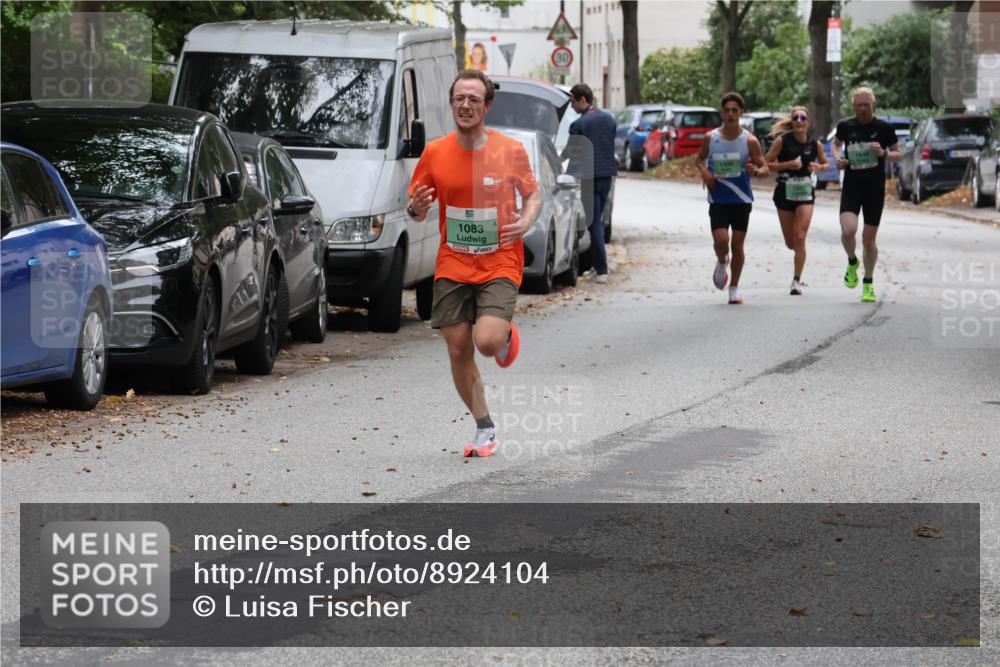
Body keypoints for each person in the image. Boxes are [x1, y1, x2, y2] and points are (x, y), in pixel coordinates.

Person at [406, 69, 541, 458]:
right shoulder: (435, 152)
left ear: (487, 106)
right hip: (453, 262)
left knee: (486, 342)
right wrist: (415, 207)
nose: (465, 106)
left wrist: (526, 220)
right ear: (451, 103)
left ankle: (504, 336)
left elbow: (533, 196)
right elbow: (416, 208)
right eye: (459, 99)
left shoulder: (510, 151)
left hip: (499, 259)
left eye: (474, 100)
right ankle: (485, 428)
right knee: (457, 348)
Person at [695, 92, 770, 304]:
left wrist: (756, 171)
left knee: (737, 245)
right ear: (722, 113)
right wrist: (705, 172)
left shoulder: (750, 140)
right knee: (721, 241)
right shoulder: (711, 138)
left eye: (734, 110)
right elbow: (699, 160)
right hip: (718, 197)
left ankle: (734, 288)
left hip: (741, 199)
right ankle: (722, 261)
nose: (730, 114)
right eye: (727, 110)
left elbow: (765, 168)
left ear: (741, 113)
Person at [831, 87, 900, 303]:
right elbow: (836, 145)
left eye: (866, 105)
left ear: (873, 105)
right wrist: (837, 159)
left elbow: (899, 153)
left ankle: (868, 282)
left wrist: (884, 153)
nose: (863, 109)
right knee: (848, 230)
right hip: (852, 187)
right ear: (854, 106)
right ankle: (852, 261)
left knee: (868, 240)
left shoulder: (884, 128)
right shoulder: (846, 126)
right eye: (859, 105)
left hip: (874, 189)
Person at [765, 106, 829, 295]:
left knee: (800, 237)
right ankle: (797, 253)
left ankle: (796, 281)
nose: (799, 121)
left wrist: (819, 167)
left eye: (802, 118)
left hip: (805, 193)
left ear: (808, 122)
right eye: (795, 118)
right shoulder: (782, 141)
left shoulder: (815, 144)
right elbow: (766, 163)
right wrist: (787, 165)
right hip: (784, 193)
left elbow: (825, 163)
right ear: (792, 122)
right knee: (791, 243)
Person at [564, 83, 617, 284]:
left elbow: (571, 152)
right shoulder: (608, 119)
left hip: (589, 179)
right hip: (607, 176)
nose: (571, 106)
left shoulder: (579, 124)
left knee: (593, 223)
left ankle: (602, 270)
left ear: (582, 99)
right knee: (599, 221)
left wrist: (558, 162)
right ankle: (596, 265)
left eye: (573, 101)